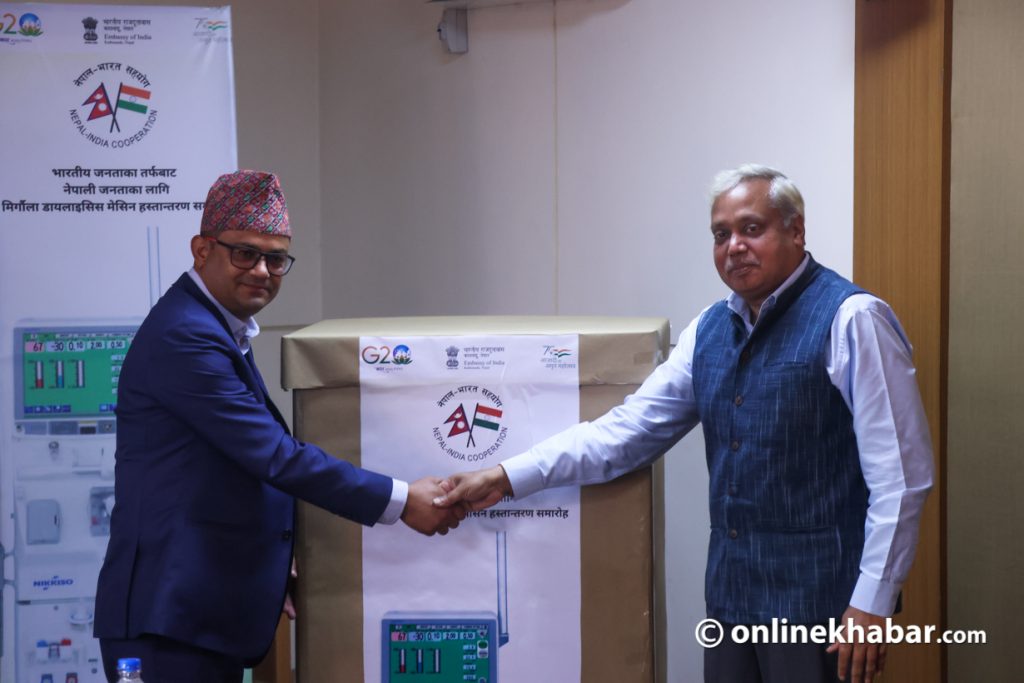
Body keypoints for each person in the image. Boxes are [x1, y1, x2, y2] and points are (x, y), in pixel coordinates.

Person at [434, 164, 934, 683]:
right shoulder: (710, 329)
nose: (734, 246)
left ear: (796, 230)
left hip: (823, 610)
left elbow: (901, 478)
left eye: (751, 228)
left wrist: (872, 604)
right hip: (731, 604)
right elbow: (624, 434)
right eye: (722, 235)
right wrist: (503, 476)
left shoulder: (853, 318)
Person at [94, 170, 462, 683]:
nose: (262, 270)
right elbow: (274, 456)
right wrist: (402, 501)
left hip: (198, 612)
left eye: (276, 258)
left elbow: (225, 472)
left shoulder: (217, 329)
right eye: (244, 253)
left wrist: (268, 568)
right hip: (167, 620)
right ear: (202, 249)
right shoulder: (187, 336)